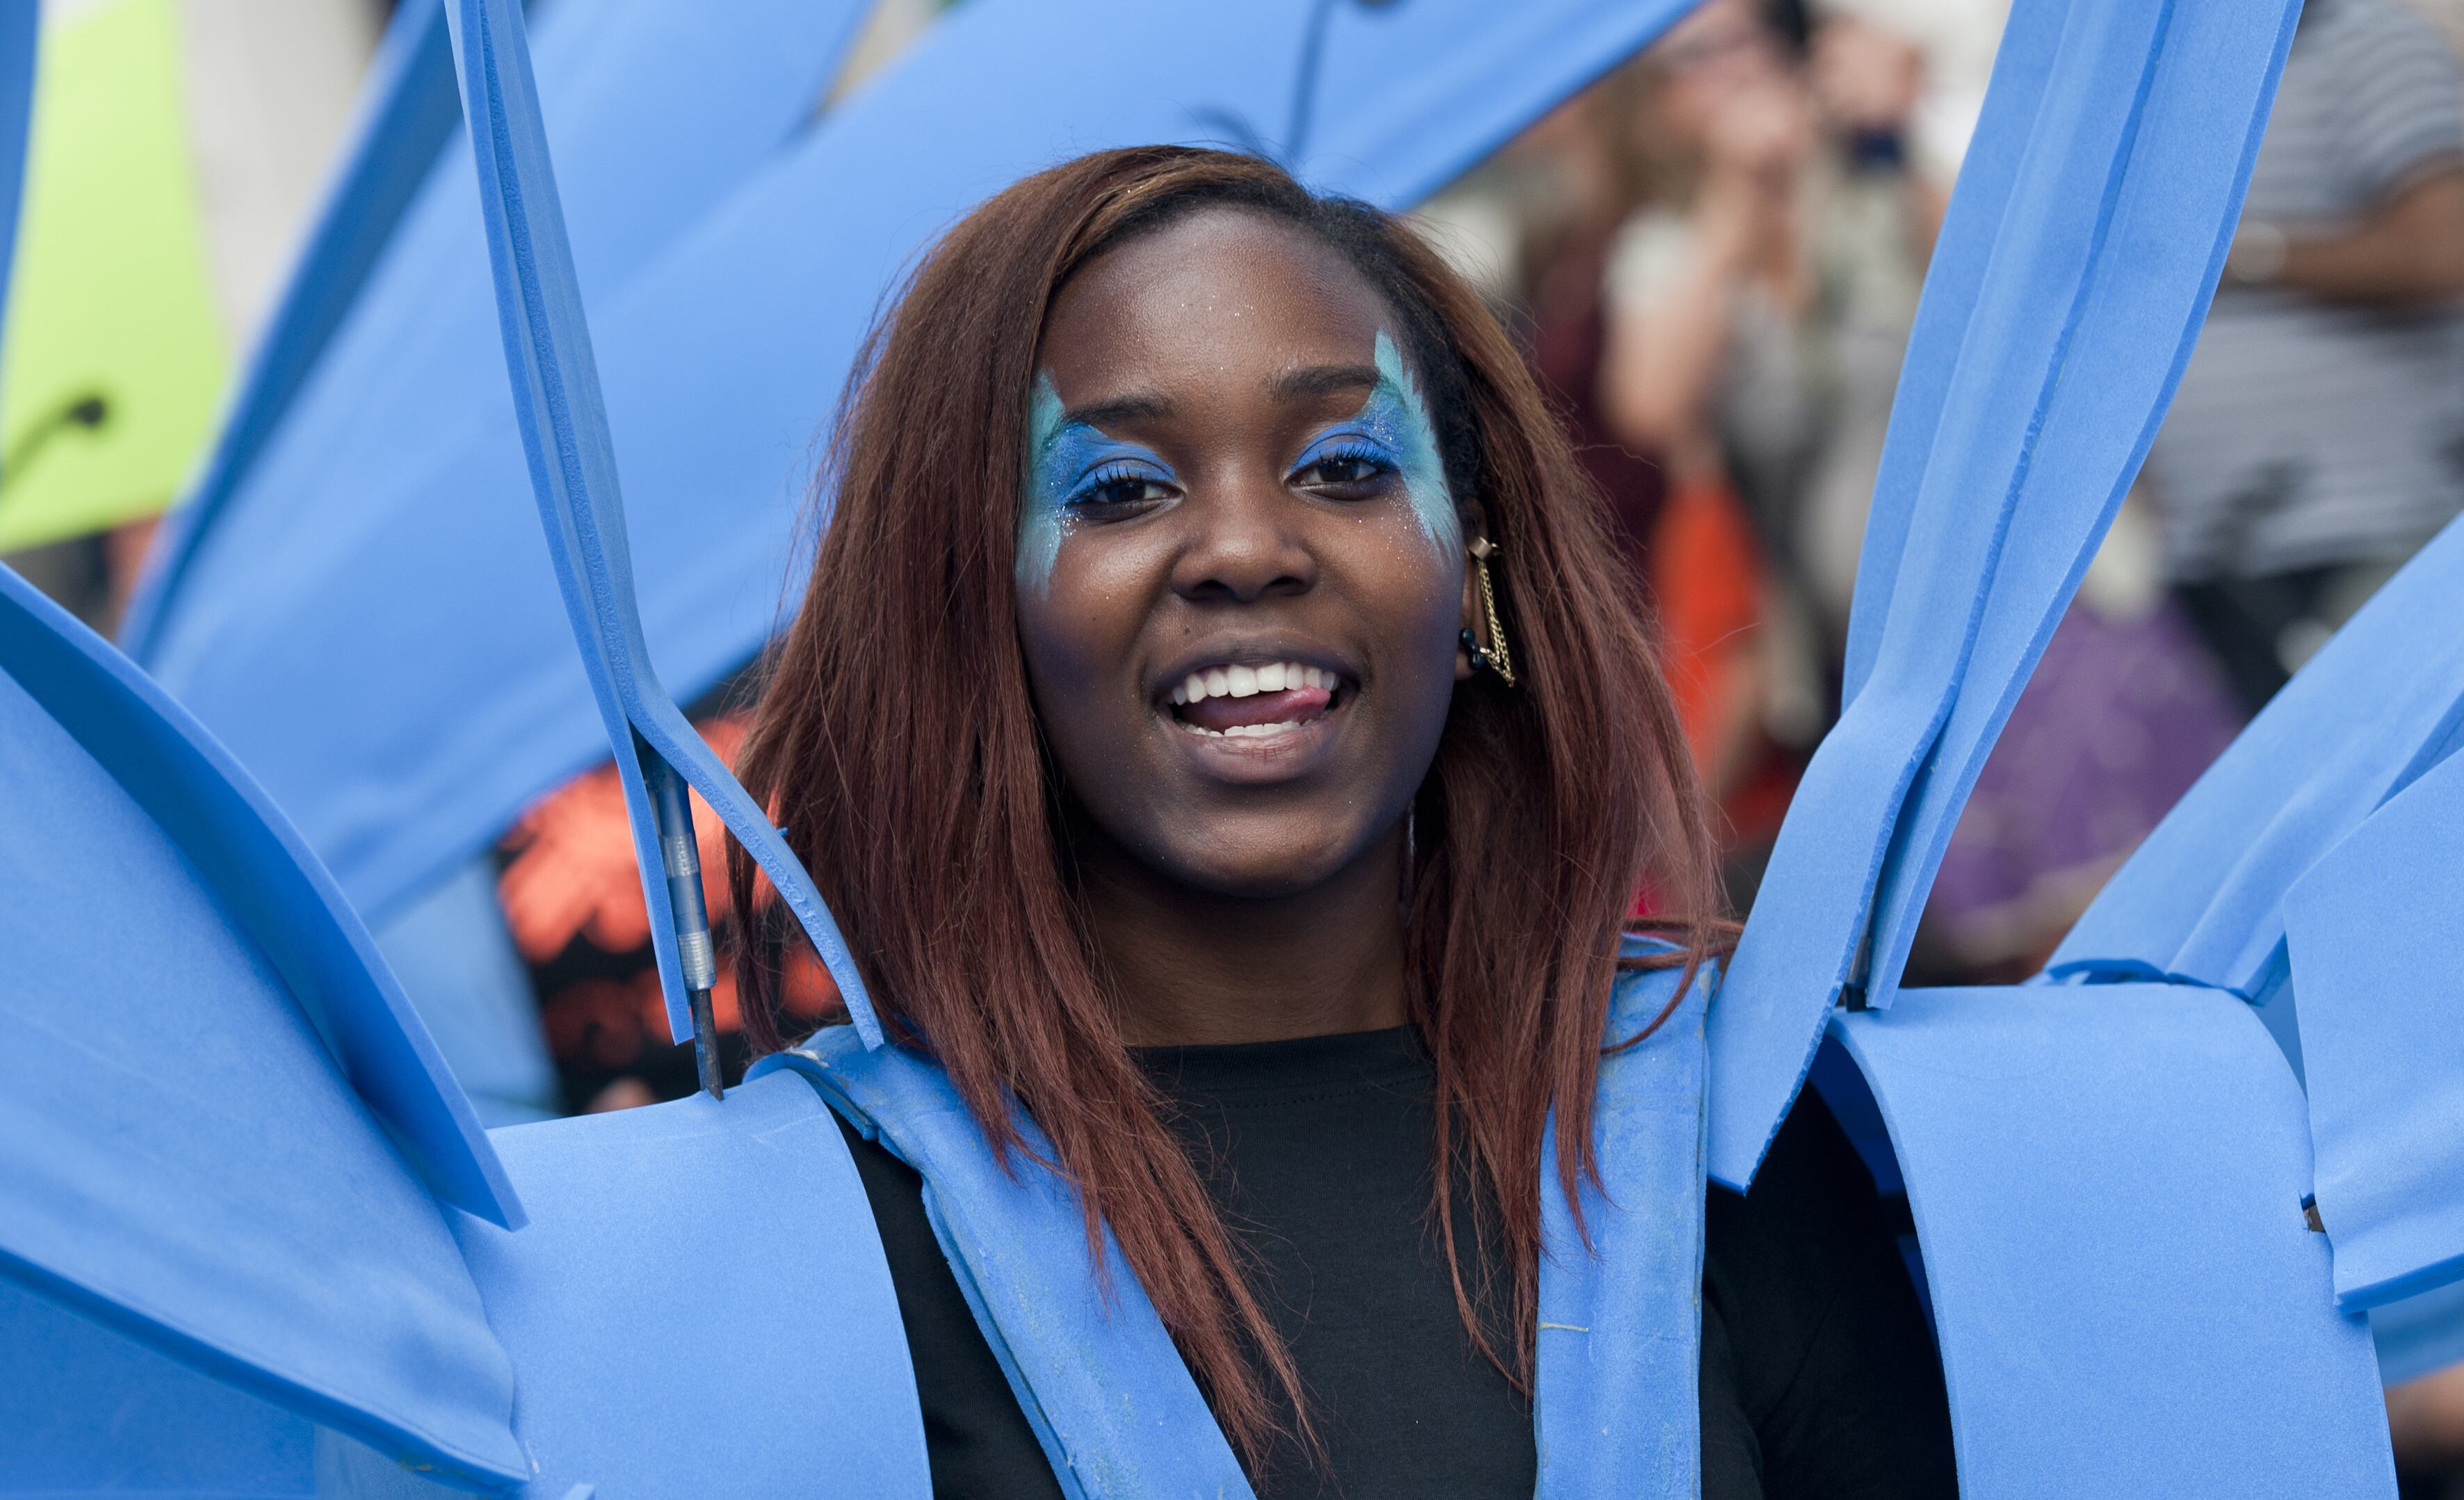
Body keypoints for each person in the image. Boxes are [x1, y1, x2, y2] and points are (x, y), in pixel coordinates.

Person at [724, 147, 1952, 1499]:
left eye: (1343, 465)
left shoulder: (1721, 1127)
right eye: (1120, 489)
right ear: (973, 601)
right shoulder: (815, 1230)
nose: (1246, 546)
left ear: (1467, 560)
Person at [2148, 0, 2464, 713]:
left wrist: (2243, 257)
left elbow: (2444, 250)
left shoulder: (2371, 43)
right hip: (2218, 548)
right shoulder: (2168, 85)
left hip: (2371, 534)